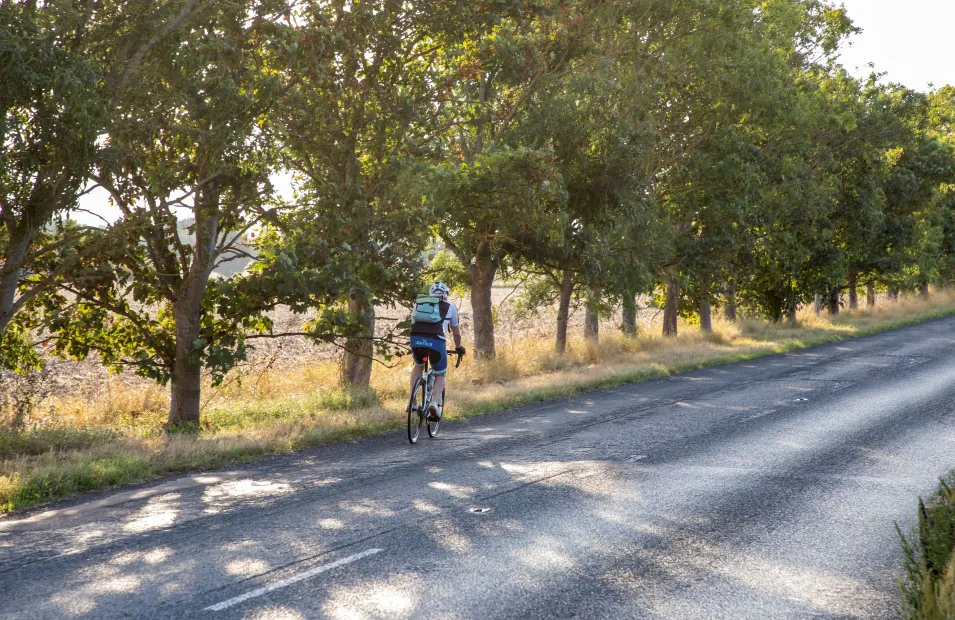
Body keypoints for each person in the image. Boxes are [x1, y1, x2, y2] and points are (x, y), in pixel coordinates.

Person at [409, 281, 464, 420]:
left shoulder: (419, 303)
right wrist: (458, 347)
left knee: (418, 365)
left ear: (431, 294)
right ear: (446, 294)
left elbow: (413, 322)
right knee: (441, 374)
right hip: (436, 341)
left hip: (416, 340)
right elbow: (456, 333)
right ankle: (434, 402)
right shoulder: (450, 306)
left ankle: (412, 402)